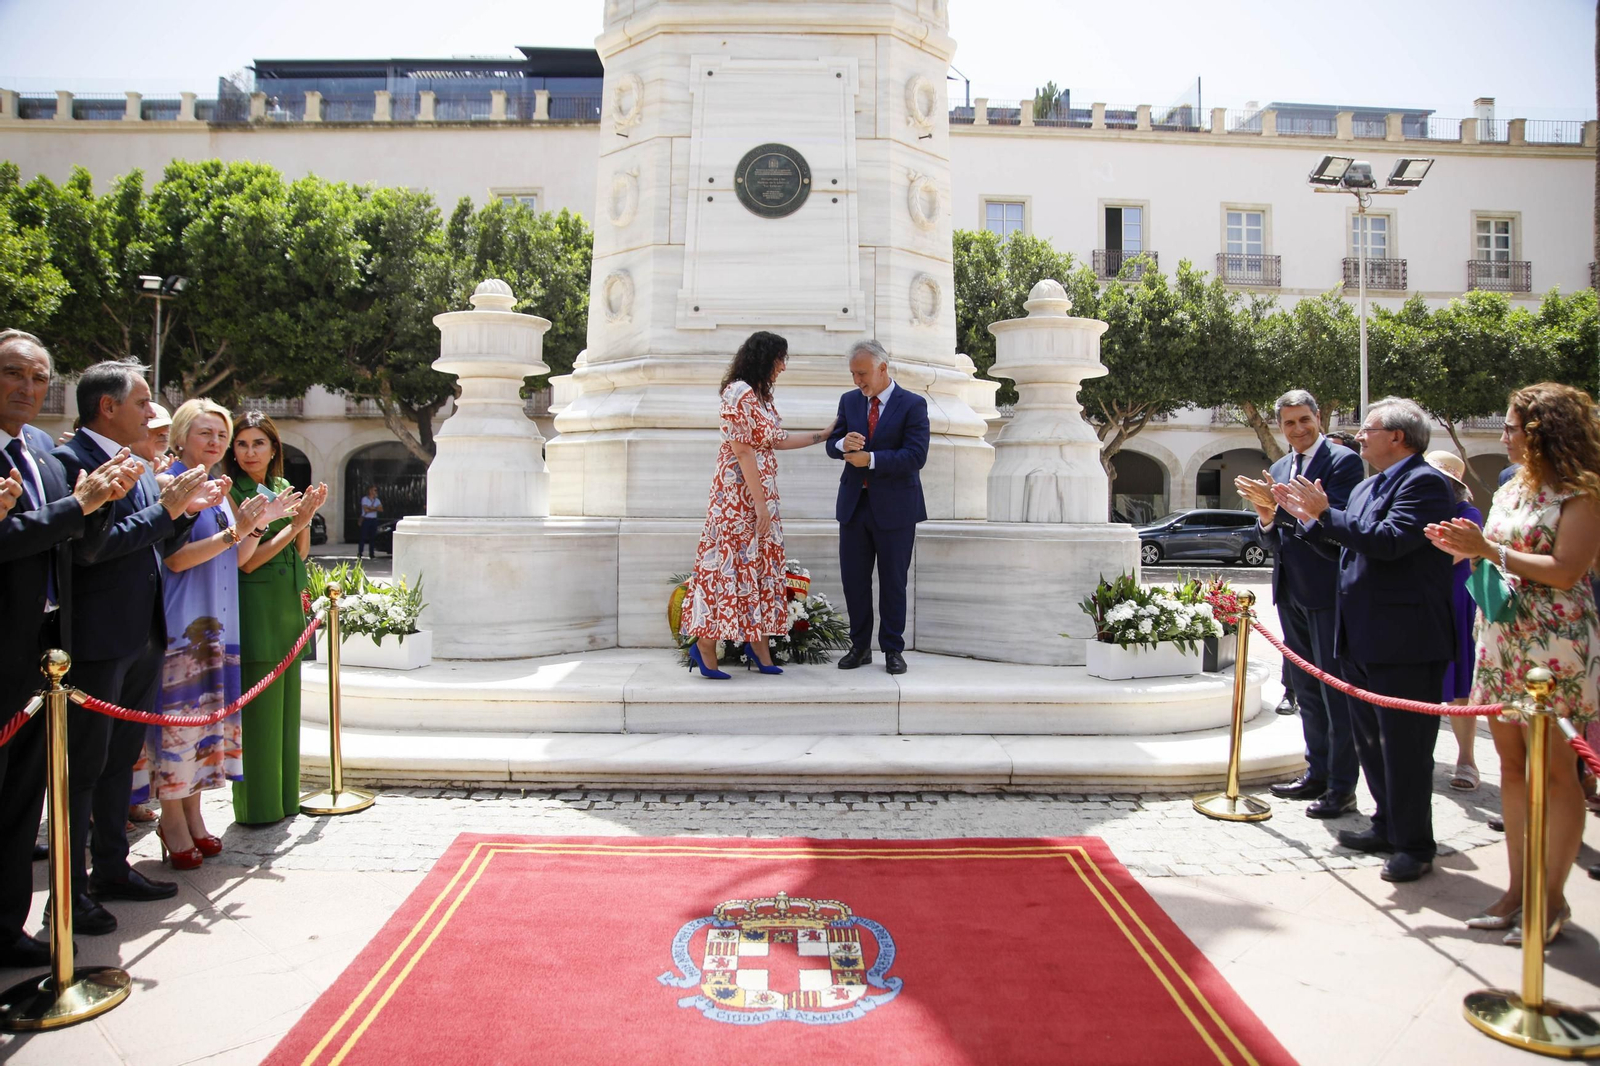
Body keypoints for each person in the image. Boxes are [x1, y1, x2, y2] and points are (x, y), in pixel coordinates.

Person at [1425, 383, 1600, 942]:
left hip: (1555, 645)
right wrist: (1460, 547)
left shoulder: (1582, 491)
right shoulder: (1508, 489)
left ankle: (1550, 899)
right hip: (1501, 638)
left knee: (1554, 772)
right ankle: (1516, 888)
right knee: (1513, 770)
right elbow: (1492, 557)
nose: (1502, 436)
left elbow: (1567, 569)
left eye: (1509, 427)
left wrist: (1487, 550)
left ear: (1540, 431)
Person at [53, 360, 220, 933]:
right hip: (96, 641)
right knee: (82, 768)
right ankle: (67, 893)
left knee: (118, 764)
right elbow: (91, 550)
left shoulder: (142, 467)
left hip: (143, 635)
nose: (153, 414)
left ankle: (112, 869)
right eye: (144, 402)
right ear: (108, 407)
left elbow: (154, 536)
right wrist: (167, 512)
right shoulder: (69, 462)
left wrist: (179, 512)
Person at [1275, 396, 1456, 883]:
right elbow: (1343, 545)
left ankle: (1415, 845)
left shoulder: (1426, 484)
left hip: (1406, 639)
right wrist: (1312, 520)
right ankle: (1385, 824)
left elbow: (1391, 540)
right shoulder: (1369, 485)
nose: (1359, 435)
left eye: (1369, 428)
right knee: (1371, 741)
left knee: (1404, 747)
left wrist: (1324, 514)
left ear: (1397, 437)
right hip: (1359, 636)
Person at [0, 331, 138, 966]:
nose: (28, 388)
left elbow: (68, 540)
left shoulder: (38, 452)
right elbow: (43, 536)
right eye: (14, 374)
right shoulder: (58, 461)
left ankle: (9, 928)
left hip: (48, 650)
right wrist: (82, 504)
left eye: (38, 377)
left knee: (24, 798)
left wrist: (108, 503)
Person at [141, 400, 278, 867]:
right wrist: (234, 532)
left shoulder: (219, 490)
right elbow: (177, 559)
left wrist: (255, 524)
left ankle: (195, 817)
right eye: (206, 433)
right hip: (183, 625)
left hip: (219, 623)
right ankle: (172, 821)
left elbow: (237, 558)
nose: (217, 443)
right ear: (181, 436)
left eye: (221, 434)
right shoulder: (170, 483)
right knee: (179, 725)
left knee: (204, 728)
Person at [1235, 389, 1365, 818]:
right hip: (1290, 590)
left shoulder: (1343, 462)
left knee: (1334, 692)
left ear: (1318, 417)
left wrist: (1283, 508)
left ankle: (1343, 786)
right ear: (1279, 427)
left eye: (1304, 420)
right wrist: (1266, 515)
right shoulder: (1277, 467)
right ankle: (1317, 772)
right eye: (1289, 423)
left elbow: (1337, 525)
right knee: (1306, 689)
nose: (1298, 429)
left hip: (1329, 592)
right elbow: (1271, 538)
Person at [679, 332, 835, 678]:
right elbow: (743, 449)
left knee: (761, 564)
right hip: (738, 498)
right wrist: (760, 506)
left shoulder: (761, 398)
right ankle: (705, 643)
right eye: (780, 358)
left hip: (762, 495)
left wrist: (822, 435)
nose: (783, 366)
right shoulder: (738, 392)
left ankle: (758, 641)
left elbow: (776, 440)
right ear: (763, 358)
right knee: (728, 565)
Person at [226, 411, 325, 823]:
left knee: (286, 711)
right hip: (256, 606)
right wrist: (295, 523)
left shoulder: (282, 486)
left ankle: (285, 800)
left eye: (258, 443)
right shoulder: (232, 491)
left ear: (273, 448)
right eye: (242, 444)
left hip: (287, 604)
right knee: (260, 714)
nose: (250, 452)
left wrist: (303, 523)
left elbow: (299, 552)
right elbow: (246, 564)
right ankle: (259, 808)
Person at [825, 340, 930, 675]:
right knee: (854, 581)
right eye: (853, 374)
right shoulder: (849, 401)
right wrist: (843, 444)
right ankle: (859, 647)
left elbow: (916, 456)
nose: (857, 380)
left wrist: (869, 459)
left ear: (883, 368)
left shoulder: (913, 404)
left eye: (862, 373)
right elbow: (832, 444)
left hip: (896, 509)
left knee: (893, 582)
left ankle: (892, 650)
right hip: (854, 507)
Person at [1422, 450, 1485, 792]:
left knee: (1461, 688)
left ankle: (1467, 760)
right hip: (1423, 604)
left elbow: (1452, 555)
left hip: (1457, 603)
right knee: (1421, 686)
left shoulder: (1467, 513)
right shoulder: (1417, 508)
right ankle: (1421, 757)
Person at [357, 484, 383, 559]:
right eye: (374, 490)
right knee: (363, 537)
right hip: (366, 519)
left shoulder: (377, 500)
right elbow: (365, 509)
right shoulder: (364, 499)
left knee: (373, 537)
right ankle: (360, 553)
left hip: (373, 520)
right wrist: (375, 508)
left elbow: (381, 509)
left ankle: (371, 554)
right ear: (370, 491)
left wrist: (371, 508)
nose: (376, 491)